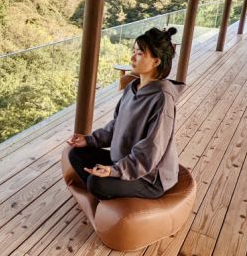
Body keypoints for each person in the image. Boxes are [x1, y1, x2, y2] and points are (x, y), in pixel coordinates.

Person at [66, 27, 185, 200]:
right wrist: (89, 140)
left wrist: (114, 171)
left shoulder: (162, 99)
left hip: (149, 177)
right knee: (76, 153)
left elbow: (150, 151)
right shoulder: (132, 87)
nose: (132, 58)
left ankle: (110, 193)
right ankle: (111, 192)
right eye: (133, 51)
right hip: (124, 161)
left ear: (156, 61)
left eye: (140, 54)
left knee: (95, 183)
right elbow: (116, 125)